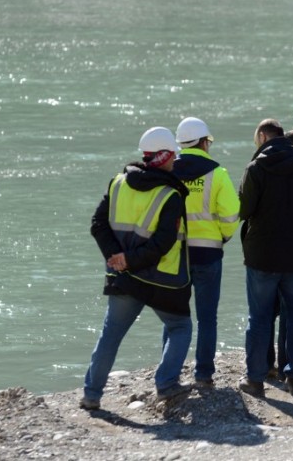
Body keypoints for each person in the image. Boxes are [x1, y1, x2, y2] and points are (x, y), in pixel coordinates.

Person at [81, 127, 193, 411]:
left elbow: (98, 225)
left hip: (125, 278)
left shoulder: (118, 183)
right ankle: (166, 385)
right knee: (180, 326)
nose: (175, 162)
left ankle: (91, 395)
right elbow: (163, 243)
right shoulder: (170, 195)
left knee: (111, 335)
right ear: (165, 156)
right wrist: (128, 259)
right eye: (173, 157)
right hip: (162, 281)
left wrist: (117, 257)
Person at [238, 119, 293, 396]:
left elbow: (244, 210)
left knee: (260, 317)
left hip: (261, 255)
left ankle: (255, 379)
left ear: (264, 137)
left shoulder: (255, 168)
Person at [173, 117, 240, 387]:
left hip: (175, 255)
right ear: (203, 142)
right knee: (207, 317)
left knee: (175, 317)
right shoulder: (218, 173)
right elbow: (232, 214)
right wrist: (222, 236)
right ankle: (203, 375)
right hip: (208, 253)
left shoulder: (168, 171)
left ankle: (171, 374)